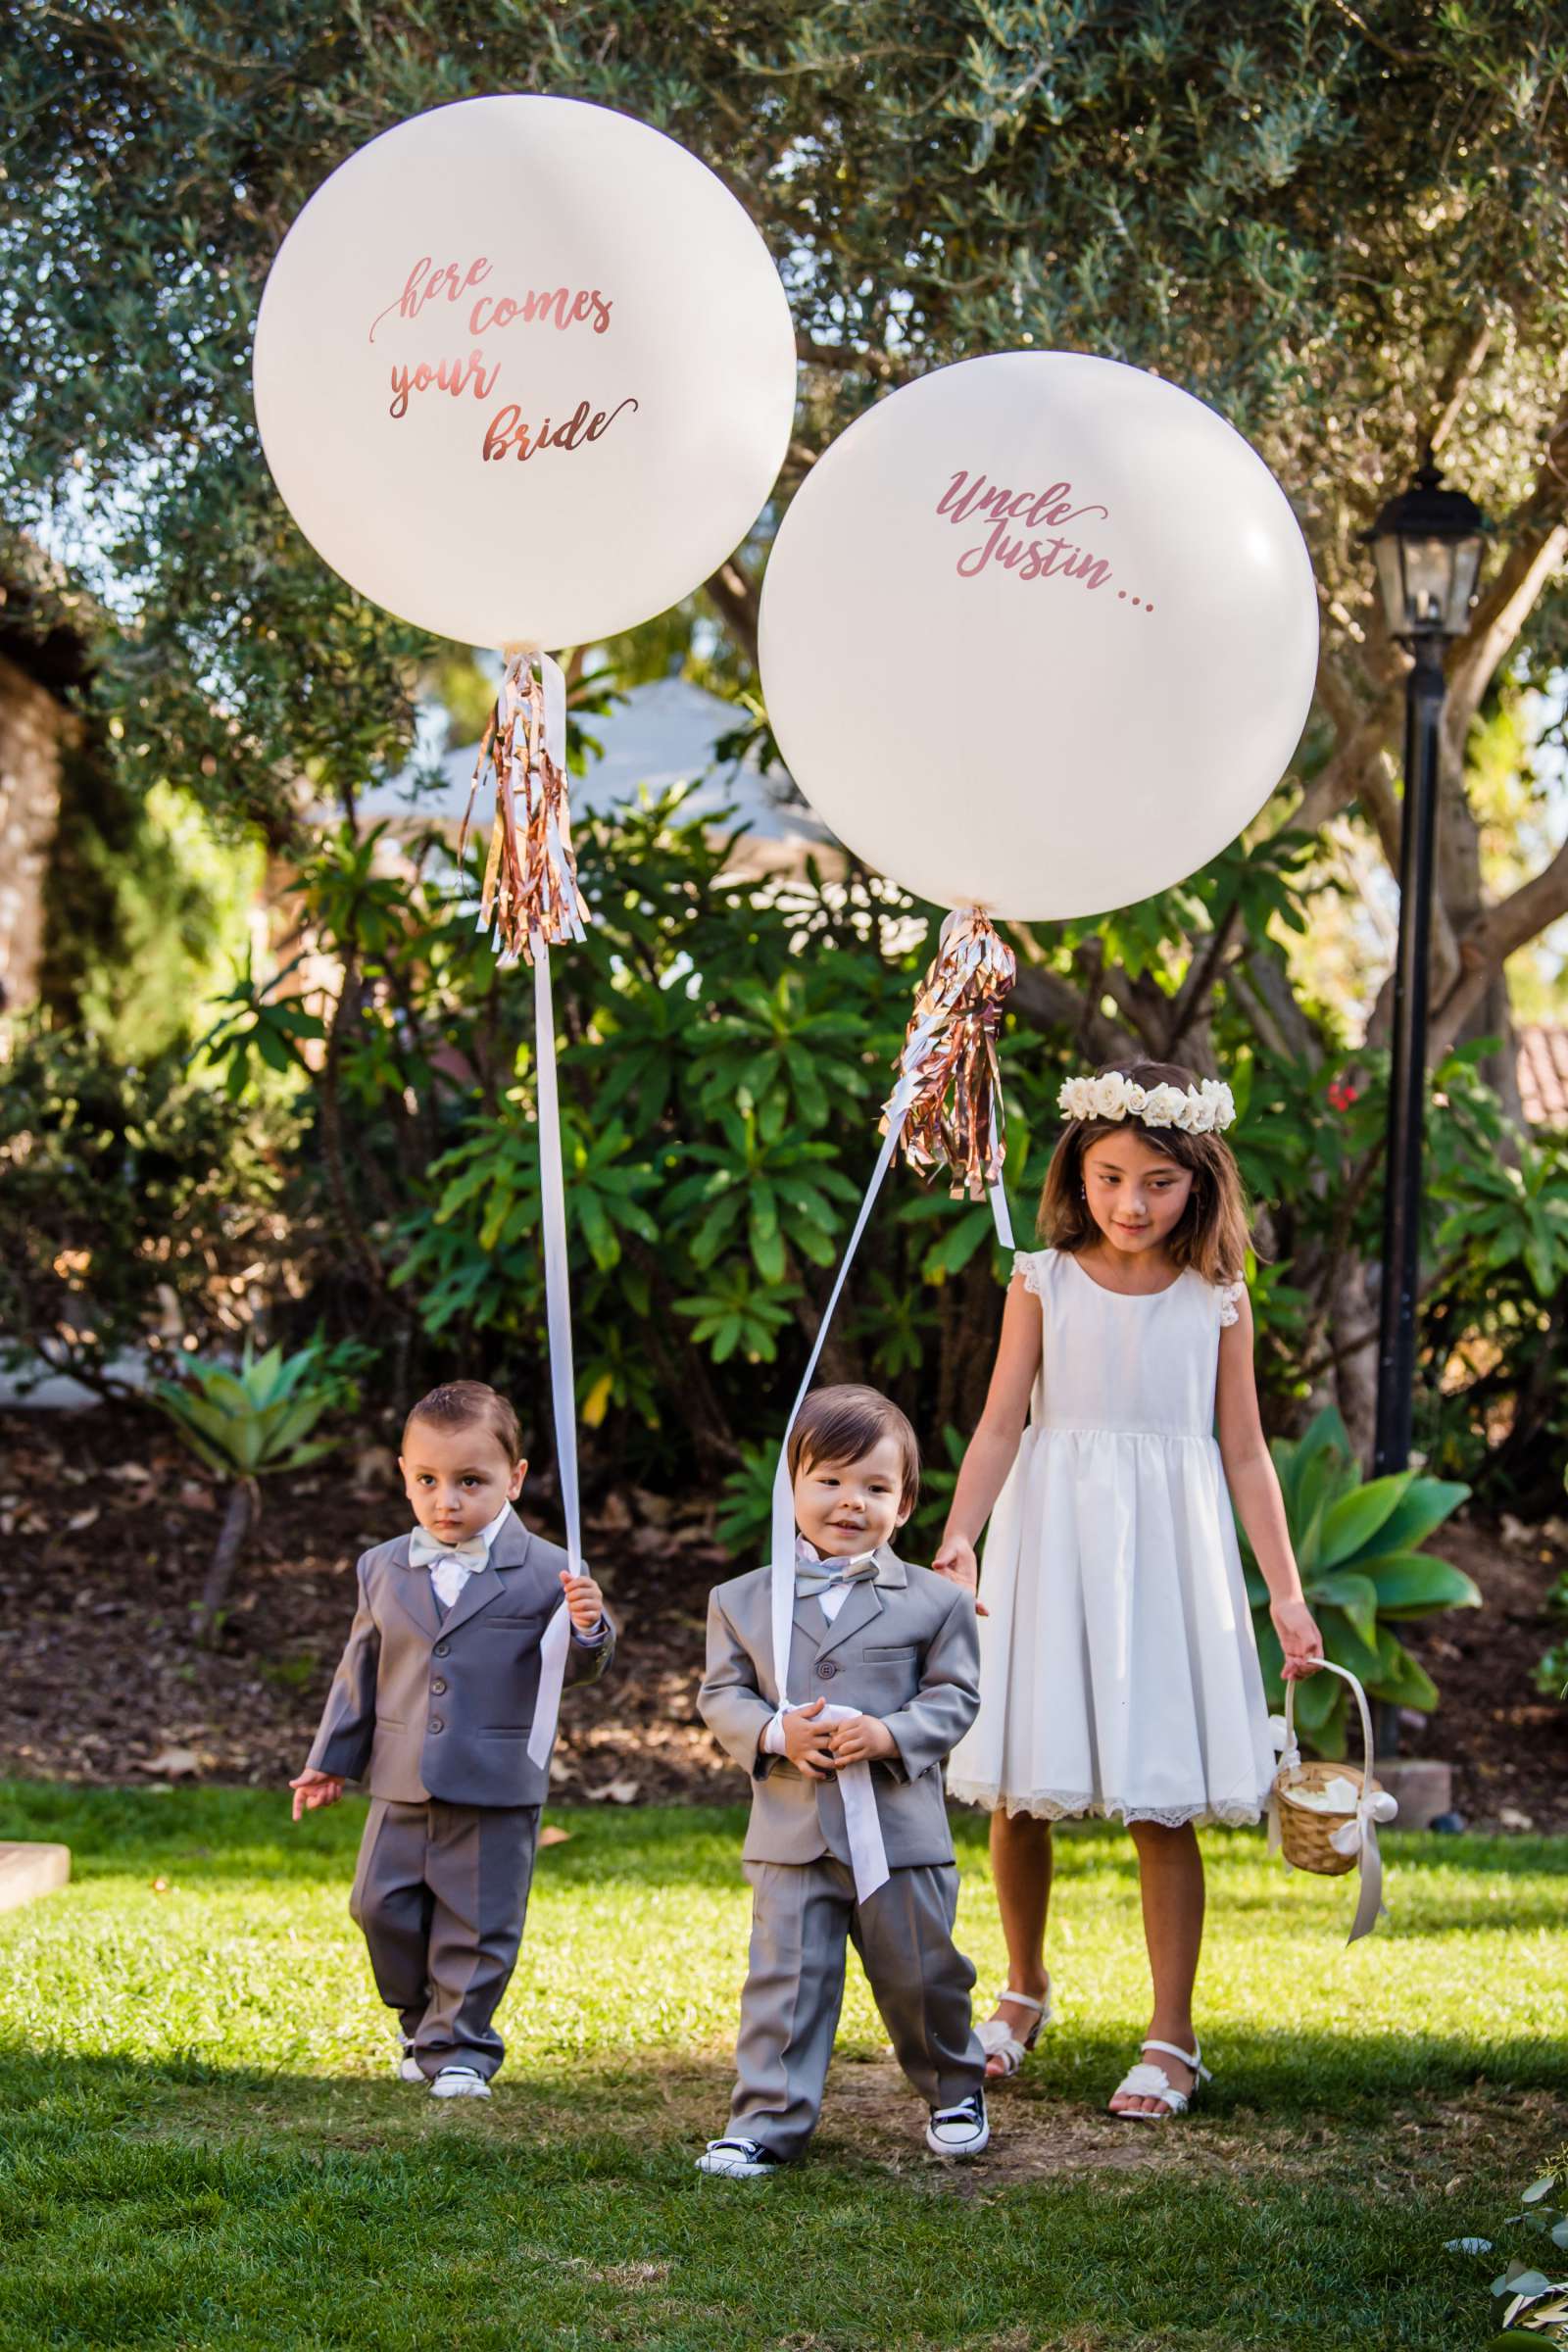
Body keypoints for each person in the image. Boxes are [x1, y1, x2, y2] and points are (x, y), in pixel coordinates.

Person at [937, 1063, 1323, 2122]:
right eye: (1109, 1178)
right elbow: (1001, 1419)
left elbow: (1244, 1452)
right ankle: (1019, 1991)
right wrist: (961, 1537)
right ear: (1076, 1172)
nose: (1130, 1204)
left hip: (1168, 1550)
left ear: (1198, 1183)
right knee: (1019, 1785)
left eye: (1157, 1182)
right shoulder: (1041, 1280)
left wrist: (1283, 1594)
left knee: (1160, 1794)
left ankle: (1172, 2033)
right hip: (1050, 1535)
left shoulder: (1216, 1299)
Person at [696, 1384, 991, 2176]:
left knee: (921, 1973)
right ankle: (767, 2121)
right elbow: (722, 1695)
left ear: (903, 1505)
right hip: (791, 1830)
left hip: (899, 1832)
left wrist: (888, 1732)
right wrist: (775, 1731)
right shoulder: (741, 1600)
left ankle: (954, 2088)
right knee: (785, 1981)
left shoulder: (935, 1602)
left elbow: (955, 1696)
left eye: (875, 1487)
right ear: (791, 1485)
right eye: (828, 1480)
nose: (849, 1501)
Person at [288, 1379, 612, 2096]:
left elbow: (575, 1668)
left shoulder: (549, 1571)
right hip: (399, 1774)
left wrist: (588, 1626)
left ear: (515, 1479)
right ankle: (418, 2018)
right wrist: (328, 1763)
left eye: (471, 1481)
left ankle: (463, 2046)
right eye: (428, 1481)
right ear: (404, 1474)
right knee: (378, 1906)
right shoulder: (383, 1567)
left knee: (478, 1918)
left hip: (494, 1777)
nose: (448, 1501)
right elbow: (360, 1670)